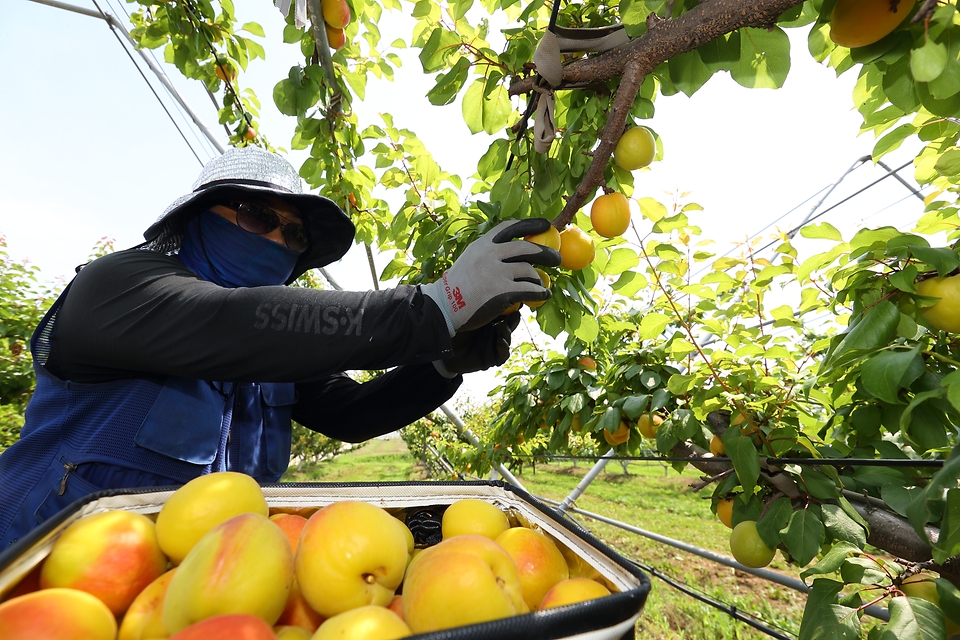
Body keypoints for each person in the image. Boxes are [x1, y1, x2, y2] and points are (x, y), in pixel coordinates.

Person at [0, 146, 560, 548]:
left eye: (292, 235)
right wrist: (438, 304)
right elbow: (229, 324)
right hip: (44, 566)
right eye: (257, 215)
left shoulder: (277, 350)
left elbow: (353, 414)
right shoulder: (119, 285)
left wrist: (441, 365)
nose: (276, 241)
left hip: (203, 583)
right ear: (197, 216)